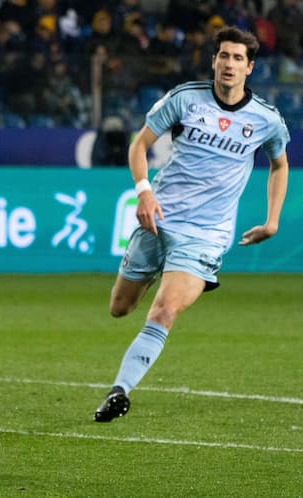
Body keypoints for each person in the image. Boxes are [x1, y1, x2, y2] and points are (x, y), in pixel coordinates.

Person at [94, 26, 289, 422]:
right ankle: (155, 274)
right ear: (213, 60)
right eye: (224, 56)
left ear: (249, 67)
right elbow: (139, 144)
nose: (229, 64)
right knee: (120, 308)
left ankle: (120, 390)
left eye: (238, 58)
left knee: (165, 310)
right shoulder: (186, 99)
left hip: (206, 235)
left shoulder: (265, 119)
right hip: (159, 219)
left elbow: (279, 163)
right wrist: (144, 191)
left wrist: (272, 220)